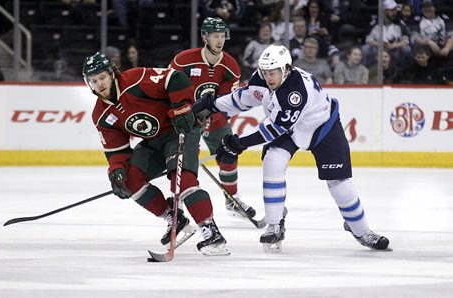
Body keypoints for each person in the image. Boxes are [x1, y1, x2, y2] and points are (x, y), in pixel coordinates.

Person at [192, 44, 390, 253]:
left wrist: (237, 144)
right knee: (273, 161)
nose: (268, 78)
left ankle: (361, 231)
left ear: (286, 69)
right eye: (265, 72)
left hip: (323, 127)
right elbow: (245, 98)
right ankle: (275, 224)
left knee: (339, 183)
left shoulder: (294, 91)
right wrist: (211, 104)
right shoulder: (263, 78)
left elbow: (274, 129)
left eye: (273, 73)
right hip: (290, 128)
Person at [82, 52, 229, 256]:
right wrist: (116, 171)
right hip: (153, 142)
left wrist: (180, 108)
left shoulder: (135, 79)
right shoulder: (101, 115)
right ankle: (174, 218)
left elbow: (175, 78)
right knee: (130, 181)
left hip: (180, 130)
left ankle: (211, 232)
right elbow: (117, 151)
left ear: (112, 74)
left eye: (102, 77)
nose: (99, 83)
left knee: (181, 180)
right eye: (94, 80)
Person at [168, 17, 256, 220]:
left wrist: (210, 116)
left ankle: (232, 198)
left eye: (222, 36)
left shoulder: (230, 66)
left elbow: (226, 100)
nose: (219, 41)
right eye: (215, 36)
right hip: (186, 119)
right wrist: (184, 115)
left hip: (212, 117)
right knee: (185, 164)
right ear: (204, 37)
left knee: (229, 153)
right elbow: (169, 90)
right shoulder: (183, 60)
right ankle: (178, 202)